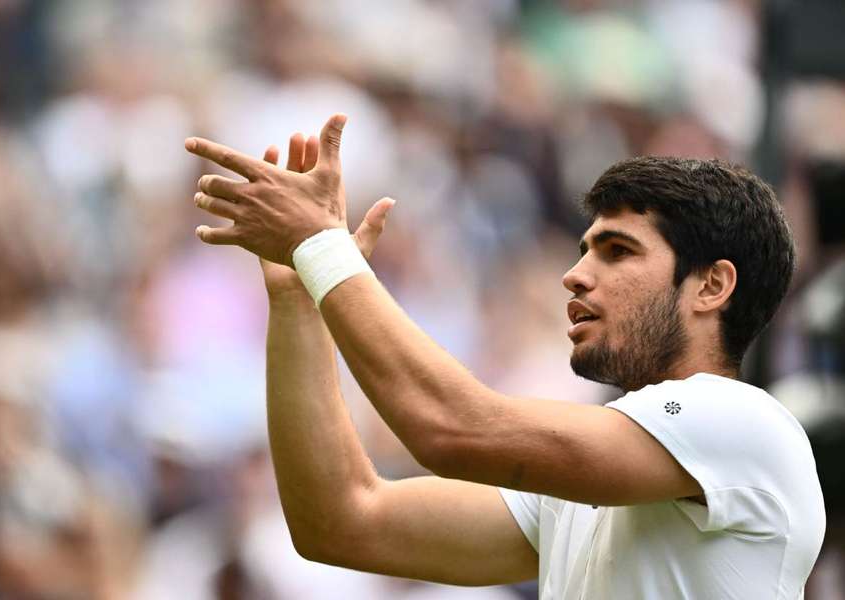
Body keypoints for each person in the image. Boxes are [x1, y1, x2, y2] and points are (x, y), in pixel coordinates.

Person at [183, 115, 826, 599]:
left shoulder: (742, 422)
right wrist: (300, 301)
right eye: (583, 249)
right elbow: (343, 519)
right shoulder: (586, 488)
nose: (574, 275)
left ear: (712, 285)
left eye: (618, 251)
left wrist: (326, 252)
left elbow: (452, 428)